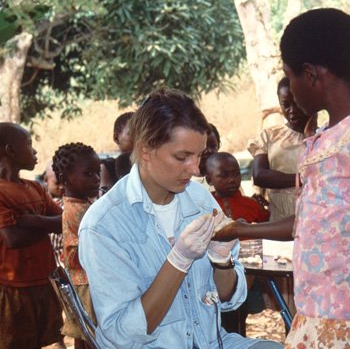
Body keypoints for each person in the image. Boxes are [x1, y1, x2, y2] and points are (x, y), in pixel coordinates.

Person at [215, 8, 350, 348]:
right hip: (314, 320)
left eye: (289, 77)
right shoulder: (319, 140)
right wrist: (240, 230)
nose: (289, 88)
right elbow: (305, 224)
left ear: (311, 75)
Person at [78, 87, 282, 348]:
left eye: (198, 156)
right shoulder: (103, 225)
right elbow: (122, 336)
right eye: (182, 157)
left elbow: (229, 299)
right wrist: (178, 260)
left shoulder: (199, 200)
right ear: (144, 151)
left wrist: (222, 261)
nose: (195, 169)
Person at [0, 122, 64, 349]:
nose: (35, 151)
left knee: (40, 340)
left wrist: (31, 221)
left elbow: (62, 224)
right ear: (10, 150)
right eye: (29, 144)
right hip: (12, 286)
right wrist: (45, 224)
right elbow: (13, 239)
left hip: (42, 281)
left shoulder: (36, 188)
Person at [206, 152, 270, 336]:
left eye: (235, 174)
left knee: (241, 314)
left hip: (248, 271)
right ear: (209, 179)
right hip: (217, 273)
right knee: (219, 319)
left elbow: (266, 224)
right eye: (223, 175)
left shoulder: (250, 204)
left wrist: (265, 208)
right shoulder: (204, 204)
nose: (232, 180)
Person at [52, 142, 101, 349]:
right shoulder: (78, 211)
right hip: (86, 283)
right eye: (88, 174)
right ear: (64, 180)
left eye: (97, 172)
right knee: (91, 334)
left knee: (84, 334)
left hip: (83, 281)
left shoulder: (82, 204)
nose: (96, 179)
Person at [247, 76, 312, 223]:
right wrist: (301, 179)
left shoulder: (323, 136)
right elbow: (259, 175)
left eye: (296, 103)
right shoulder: (270, 136)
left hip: (313, 219)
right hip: (279, 219)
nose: (292, 110)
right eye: (286, 105)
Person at [44, 161, 66, 266]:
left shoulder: (69, 203)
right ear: (46, 180)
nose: (61, 187)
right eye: (57, 183)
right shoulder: (40, 204)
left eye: (64, 182)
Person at [192, 123, 221, 190]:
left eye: (213, 146)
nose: (208, 151)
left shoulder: (226, 179)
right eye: (203, 147)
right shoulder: (185, 182)